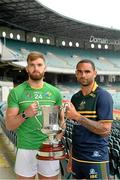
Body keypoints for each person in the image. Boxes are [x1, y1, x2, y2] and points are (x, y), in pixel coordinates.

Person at [5, 51, 64, 180]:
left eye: (39, 64)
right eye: (32, 65)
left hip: (48, 148)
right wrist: (25, 114)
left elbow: (61, 121)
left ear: (45, 68)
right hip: (26, 148)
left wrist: (56, 141)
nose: (36, 68)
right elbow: (9, 125)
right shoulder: (16, 92)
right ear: (27, 68)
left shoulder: (55, 93)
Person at [66, 59, 113, 179]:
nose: (83, 75)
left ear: (95, 73)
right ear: (76, 74)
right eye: (80, 72)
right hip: (77, 158)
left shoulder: (103, 96)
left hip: (96, 158)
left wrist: (77, 116)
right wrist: (71, 158)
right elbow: (76, 131)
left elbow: (105, 130)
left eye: (87, 71)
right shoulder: (75, 98)